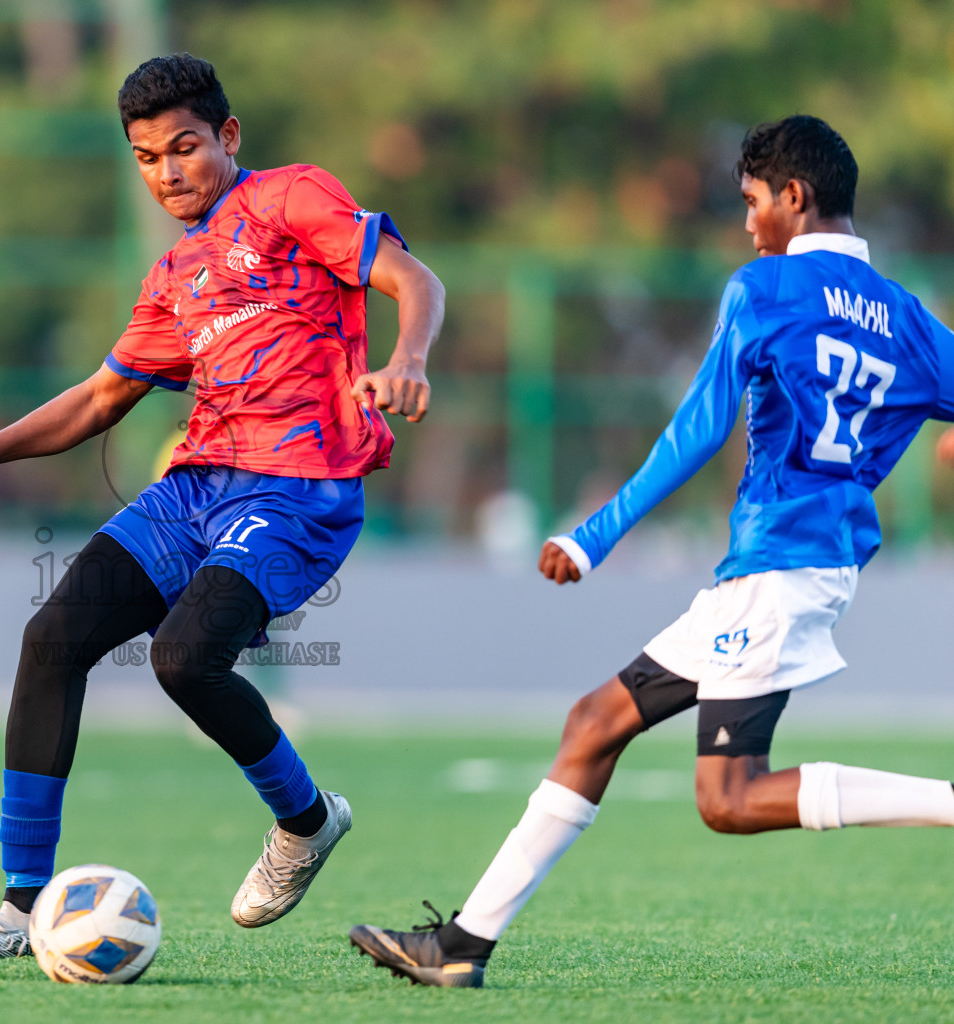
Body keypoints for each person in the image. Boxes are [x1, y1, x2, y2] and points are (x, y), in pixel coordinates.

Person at [351, 114, 954, 988]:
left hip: (779, 573)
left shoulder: (765, 289)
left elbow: (698, 430)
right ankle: (460, 949)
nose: (749, 225)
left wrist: (592, 536)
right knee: (595, 724)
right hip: (796, 571)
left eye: (754, 203)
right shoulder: (908, 319)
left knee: (730, 799)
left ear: (796, 197)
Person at [0, 53, 445, 961]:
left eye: (186, 148)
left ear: (227, 137)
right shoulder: (176, 275)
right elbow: (97, 401)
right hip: (196, 488)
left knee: (184, 660)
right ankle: (17, 910)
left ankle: (307, 821)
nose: (169, 172)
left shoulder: (293, 199)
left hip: (299, 492)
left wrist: (409, 359)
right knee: (52, 641)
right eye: (148, 157)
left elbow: (415, 280)